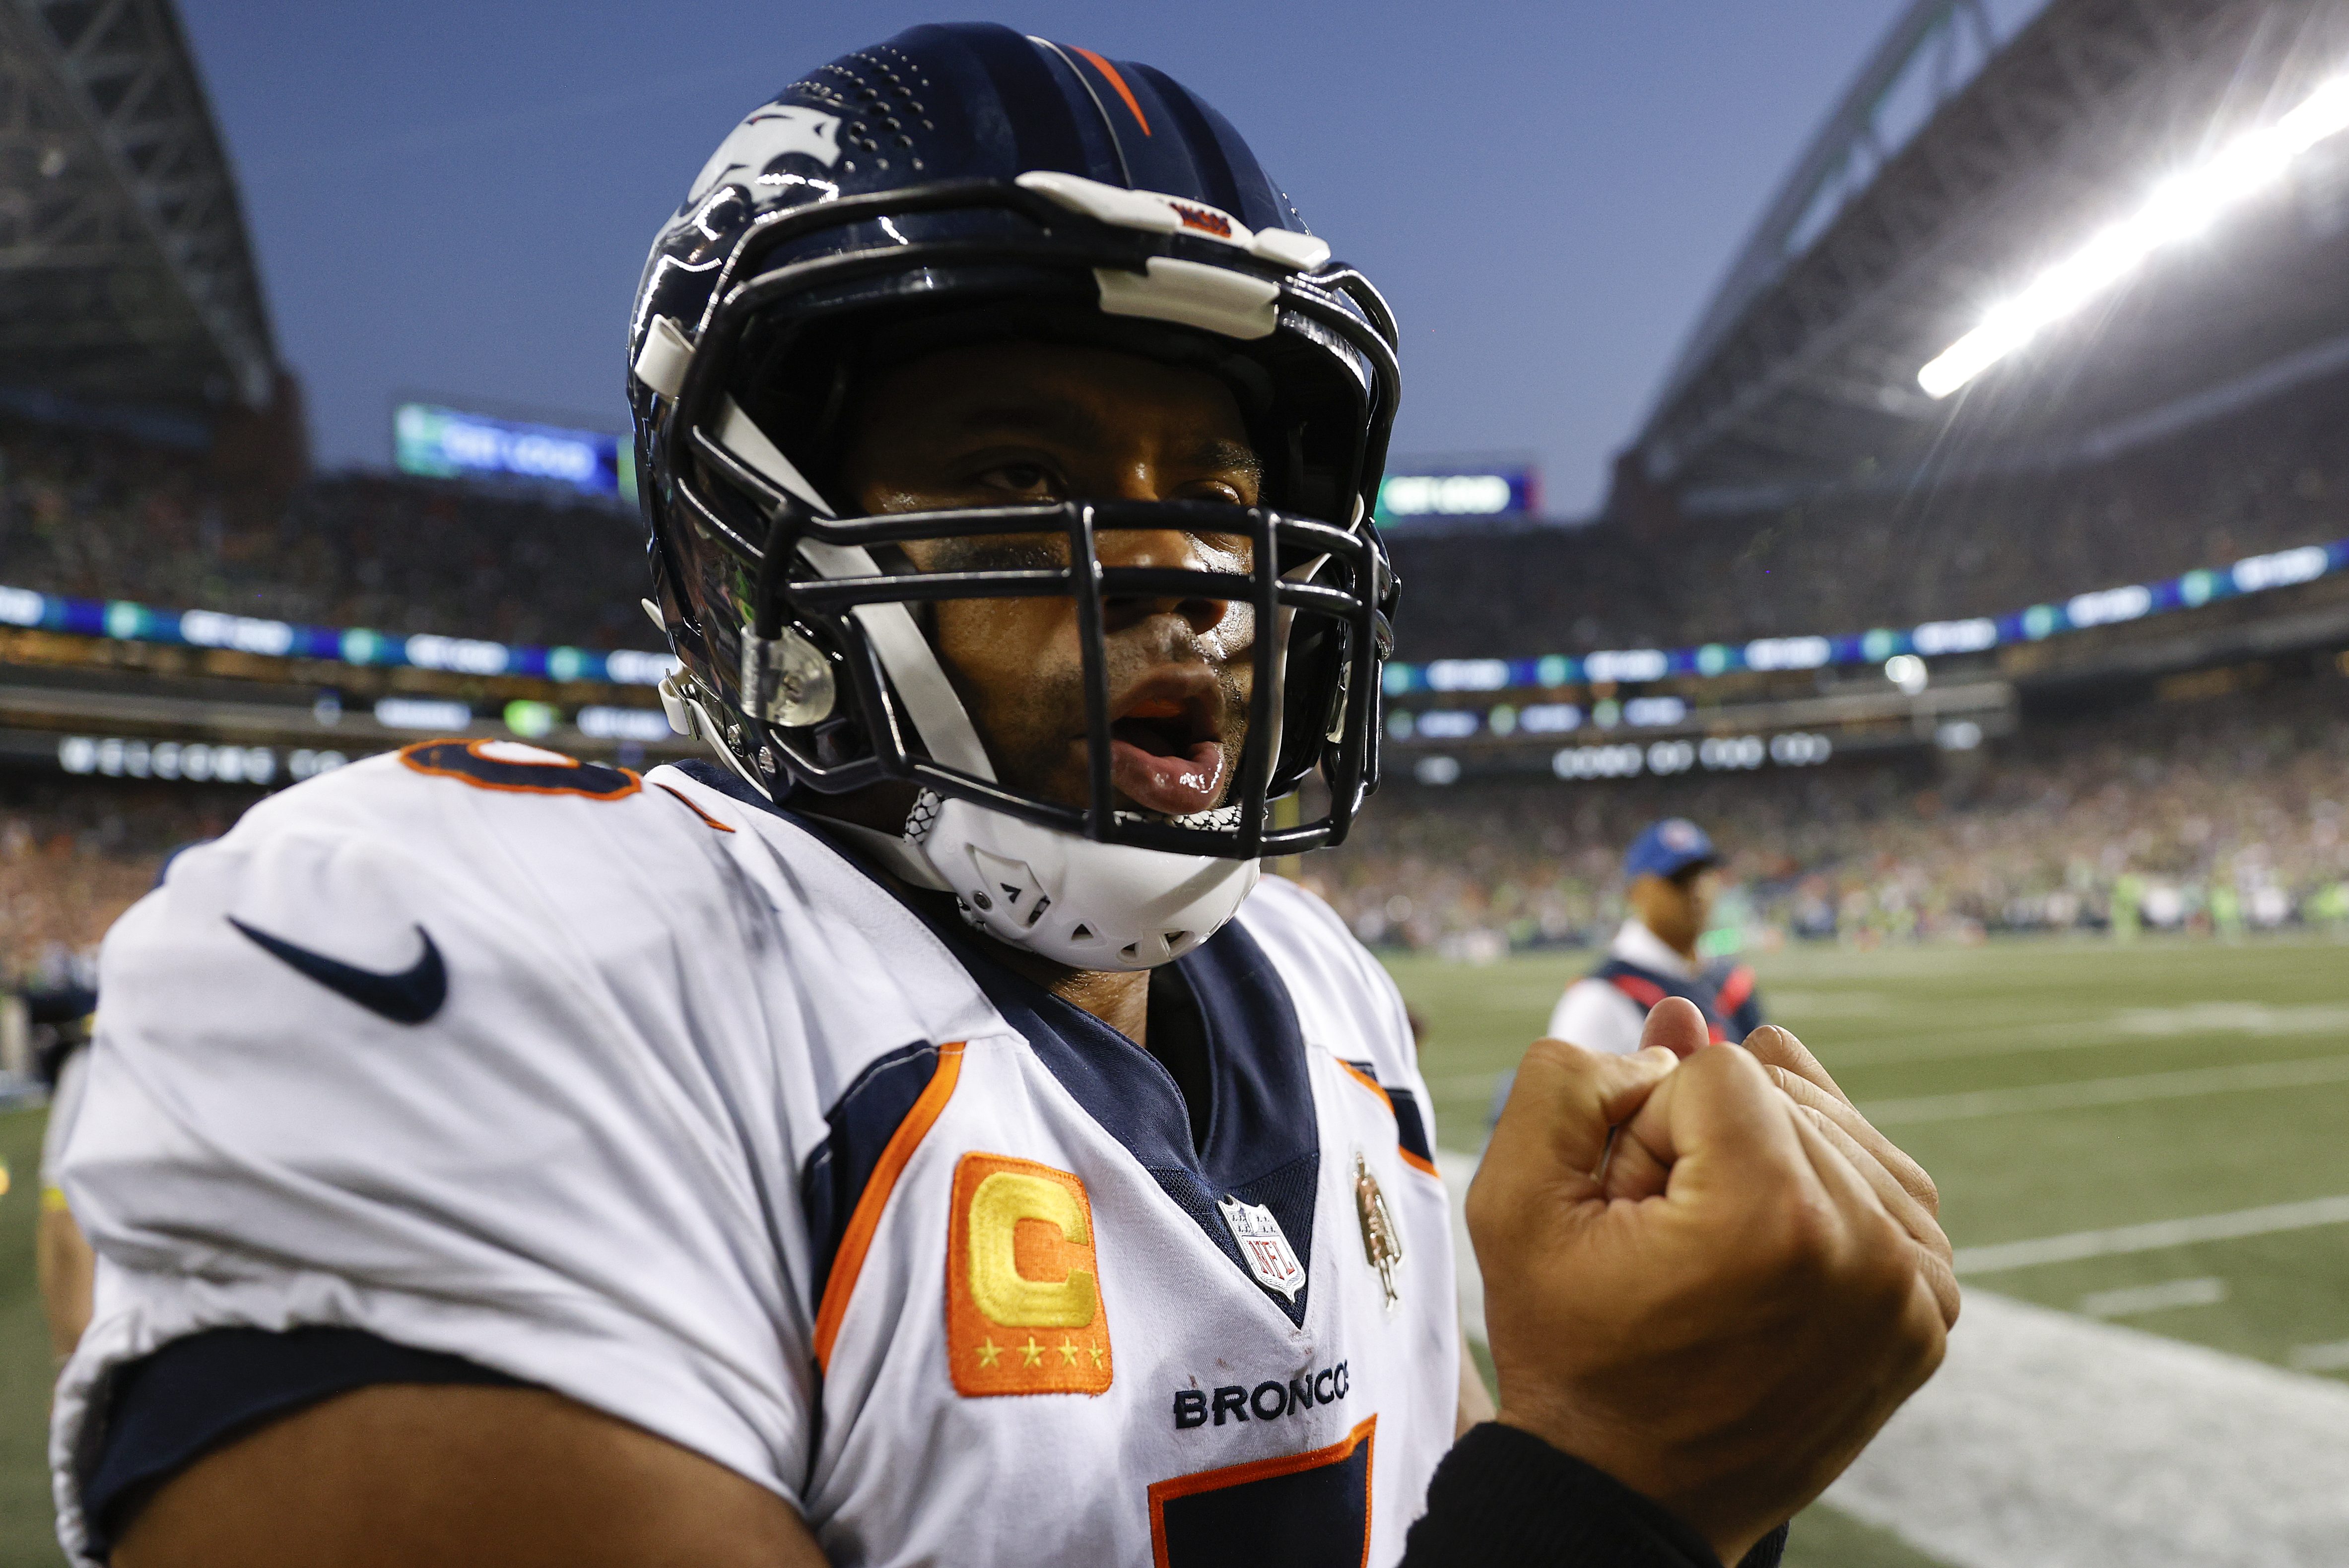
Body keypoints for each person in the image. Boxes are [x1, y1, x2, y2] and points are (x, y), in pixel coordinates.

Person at [47, 25, 1954, 1568]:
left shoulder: (1323, 996)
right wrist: (1615, 1503)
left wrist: (1646, 1445)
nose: (1184, 571)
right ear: (744, 557)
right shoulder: (474, 953)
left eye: (1216, 500)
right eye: (1018, 463)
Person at [1549, 819, 1765, 1058]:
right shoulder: (1598, 999)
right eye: (1679, 879)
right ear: (1637, 892)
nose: (1698, 890)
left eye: (1704, 875)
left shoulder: (1730, 982)